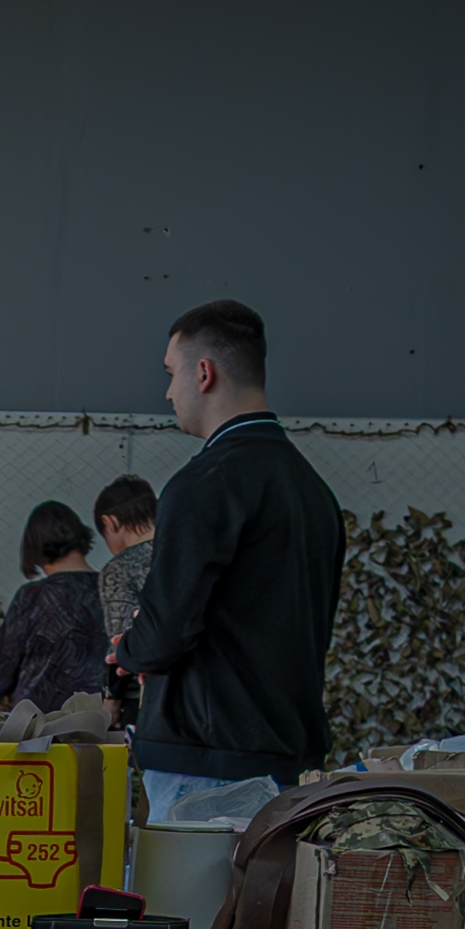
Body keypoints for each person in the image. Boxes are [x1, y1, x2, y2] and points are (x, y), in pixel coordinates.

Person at [115, 298, 345, 813]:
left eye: (171, 374)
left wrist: (129, 648)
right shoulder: (313, 491)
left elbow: (162, 634)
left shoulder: (205, 484)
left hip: (207, 764)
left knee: (197, 897)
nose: (168, 392)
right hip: (288, 759)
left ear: (204, 372)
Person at [0, 502, 106, 713]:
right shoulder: (112, 589)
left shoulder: (32, 596)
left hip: (40, 726)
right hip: (101, 721)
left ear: (34, 547)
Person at [91, 473, 159, 716]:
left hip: (144, 699)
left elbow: (121, 638)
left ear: (111, 523)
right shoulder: (188, 553)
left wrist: (112, 698)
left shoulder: (119, 570)